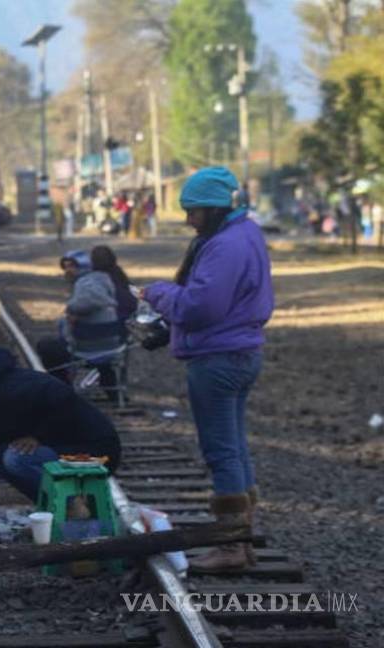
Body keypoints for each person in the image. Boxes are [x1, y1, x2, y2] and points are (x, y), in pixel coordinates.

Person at [143, 166, 273, 572]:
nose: (188, 220)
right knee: (234, 448)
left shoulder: (224, 246)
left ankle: (231, 546)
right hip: (240, 352)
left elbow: (200, 307)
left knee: (220, 452)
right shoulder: (246, 233)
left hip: (217, 359)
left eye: (193, 212)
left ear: (214, 209)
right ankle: (242, 538)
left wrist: (157, 293)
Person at [0, 347, 121, 501]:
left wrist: (39, 436)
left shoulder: (10, 390)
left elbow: (64, 399)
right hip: (71, 446)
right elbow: (21, 416)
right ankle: (48, 506)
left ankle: (71, 507)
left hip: (98, 455)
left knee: (17, 459)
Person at [35, 250, 121, 385]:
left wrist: (71, 308)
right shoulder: (104, 279)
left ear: (83, 266)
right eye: (66, 266)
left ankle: (62, 386)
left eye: (72, 266)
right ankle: (113, 392)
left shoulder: (86, 283)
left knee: (46, 346)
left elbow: (89, 300)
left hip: (87, 349)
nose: (67, 270)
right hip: (112, 346)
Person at [90, 245, 138, 322]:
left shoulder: (90, 278)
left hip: (101, 322)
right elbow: (134, 295)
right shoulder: (119, 274)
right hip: (125, 318)